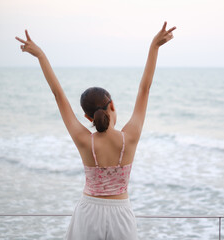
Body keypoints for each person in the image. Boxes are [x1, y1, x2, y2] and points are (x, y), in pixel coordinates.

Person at [15, 21, 176, 240]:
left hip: (89, 213)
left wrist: (41, 56)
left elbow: (59, 95)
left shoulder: (83, 140)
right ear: (112, 106)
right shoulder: (129, 137)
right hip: (121, 213)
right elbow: (144, 89)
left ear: (87, 117)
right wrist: (154, 47)